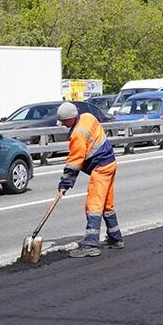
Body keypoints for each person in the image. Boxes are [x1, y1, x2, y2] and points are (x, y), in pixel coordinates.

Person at [57, 102, 122, 258]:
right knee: (107, 205)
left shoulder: (78, 134)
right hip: (110, 163)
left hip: (101, 168)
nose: (63, 125)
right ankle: (115, 239)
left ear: (72, 118)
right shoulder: (88, 116)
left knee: (94, 205)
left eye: (64, 121)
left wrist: (65, 184)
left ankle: (91, 245)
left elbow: (74, 161)